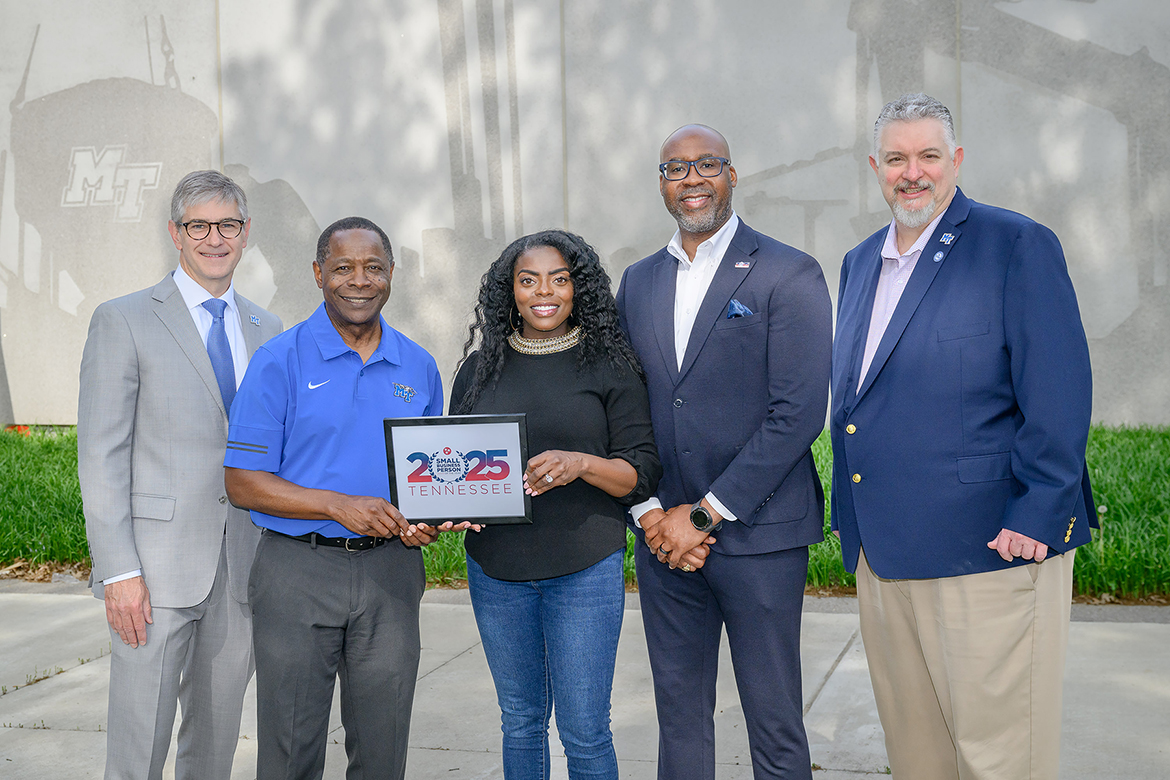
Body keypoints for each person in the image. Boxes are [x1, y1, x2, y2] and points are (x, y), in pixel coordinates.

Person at [830, 93, 1095, 780]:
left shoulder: (1015, 244)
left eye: (928, 156)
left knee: (1000, 761)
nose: (911, 173)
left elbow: (1059, 389)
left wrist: (1040, 511)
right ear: (875, 166)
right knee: (919, 760)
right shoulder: (861, 263)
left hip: (991, 550)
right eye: (896, 158)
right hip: (885, 558)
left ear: (957, 161)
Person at [615, 125, 832, 780]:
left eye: (707, 164)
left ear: (733, 175)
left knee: (773, 721)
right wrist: (652, 515)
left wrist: (702, 515)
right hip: (664, 544)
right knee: (679, 717)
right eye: (676, 168)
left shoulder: (786, 272)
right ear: (661, 183)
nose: (692, 179)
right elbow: (625, 408)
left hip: (759, 536)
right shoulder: (639, 280)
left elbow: (797, 415)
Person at [223, 216, 455, 780]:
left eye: (374, 268)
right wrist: (336, 504)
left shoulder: (419, 366)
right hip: (296, 570)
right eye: (344, 267)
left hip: (390, 574)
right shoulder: (279, 360)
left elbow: (425, 481)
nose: (359, 280)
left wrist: (421, 521)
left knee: (382, 750)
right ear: (318, 273)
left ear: (391, 275)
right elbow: (242, 482)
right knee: (290, 749)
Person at [77, 170, 282, 779]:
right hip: (154, 571)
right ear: (175, 232)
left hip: (244, 563)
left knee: (214, 744)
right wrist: (119, 572)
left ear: (246, 235)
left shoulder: (267, 330)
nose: (214, 238)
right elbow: (102, 456)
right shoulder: (124, 320)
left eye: (228, 226)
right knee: (140, 744)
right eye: (199, 225)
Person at [450, 229, 661, 780]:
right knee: (519, 721)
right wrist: (447, 503)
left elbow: (640, 472)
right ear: (509, 291)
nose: (544, 292)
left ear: (578, 288)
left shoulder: (610, 365)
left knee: (584, 729)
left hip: (584, 570)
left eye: (559, 279)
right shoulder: (477, 372)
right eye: (528, 280)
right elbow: (454, 467)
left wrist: (582, 464)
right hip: (495, 570)